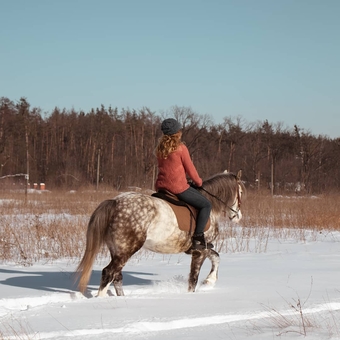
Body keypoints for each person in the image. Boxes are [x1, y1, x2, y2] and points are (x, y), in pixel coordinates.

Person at [155, 118, 213, 250]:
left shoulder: (160, 149)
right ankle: (198, 237)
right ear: (177, 132)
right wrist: (198, 182)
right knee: (206, 204)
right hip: (178, 188)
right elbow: (190, 169)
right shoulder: (181, 148)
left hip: (161, 186)